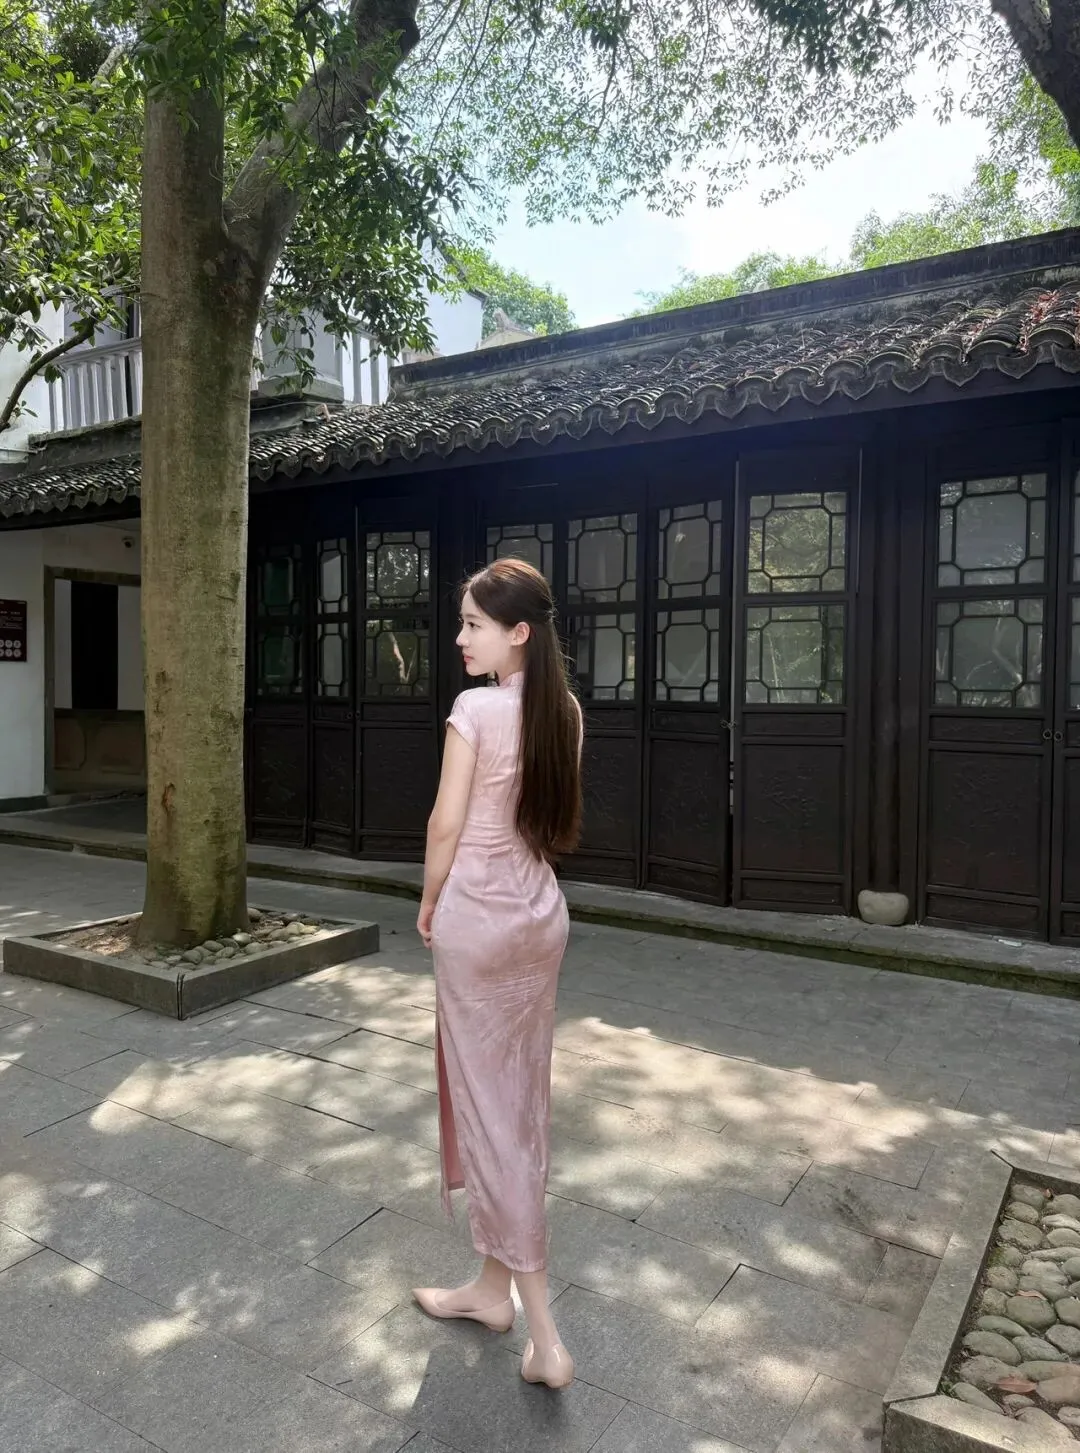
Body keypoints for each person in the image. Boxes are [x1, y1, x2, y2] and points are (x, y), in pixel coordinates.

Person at [412, 557, 583, 1391]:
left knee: (492, 1116)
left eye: (474, 624)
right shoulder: (564, 711)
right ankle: (490, 1289)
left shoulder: (475, 709)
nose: (460, 637)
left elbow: (445, 822)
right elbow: (541, 823)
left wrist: (427, 900)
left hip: (479, 919)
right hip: (538, 915)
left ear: (518, 631)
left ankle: (546, 1335)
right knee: (518, 1107)